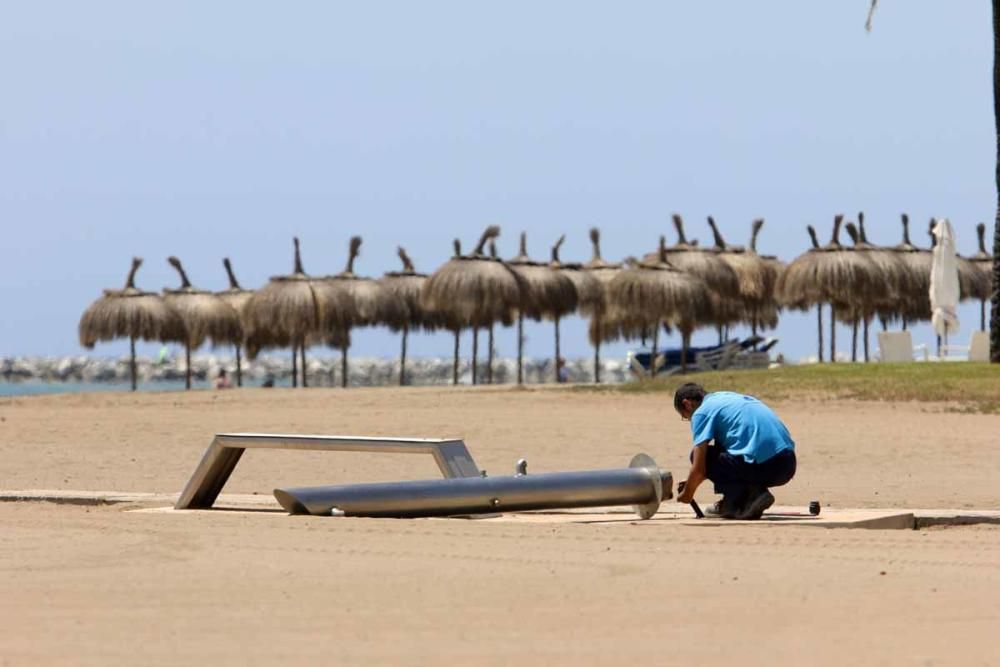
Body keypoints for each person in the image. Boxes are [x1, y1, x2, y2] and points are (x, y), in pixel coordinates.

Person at [674, 382, 796, 520]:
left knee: (701, 456)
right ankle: (745, 495)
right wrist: (692, 480)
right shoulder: (726, 398)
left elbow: (699, 468)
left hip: (764, 466)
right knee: (721, 448)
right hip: (787, 464)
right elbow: (727, 455)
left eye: (686, 416)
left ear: (687, 404)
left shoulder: (701, 412)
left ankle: (745, 498)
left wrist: (687, 493)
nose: (689, 420)